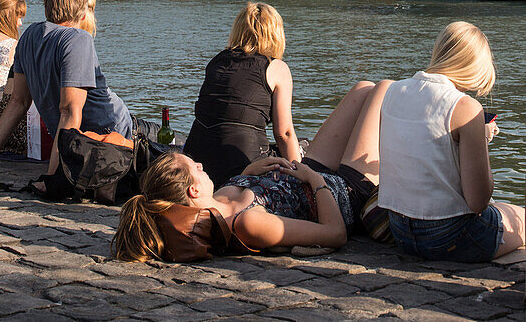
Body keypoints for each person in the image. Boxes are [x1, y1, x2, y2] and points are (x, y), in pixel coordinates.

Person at [112, 80, 391, 262]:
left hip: (305, 172)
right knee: (385, 90)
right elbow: (334, 234)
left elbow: (252, 192)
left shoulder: (217, 201)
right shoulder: (246, 225)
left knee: (363, 88)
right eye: (193, 167)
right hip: (343, 192)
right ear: (193, 190)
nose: (199, 164)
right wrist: (314, 181)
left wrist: (251, 172)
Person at [0, 0, 137, 173]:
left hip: (101, 130)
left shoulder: (30, 35)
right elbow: (70, 111)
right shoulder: (78, 39)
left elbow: (18, 102)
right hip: (111, 129)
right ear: (83, 14)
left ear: (46, 5)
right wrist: (53, 176)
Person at [378, 21, 525, 262]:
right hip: (449, 237)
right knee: (520, 219)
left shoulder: (393, 91)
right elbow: (478, 201)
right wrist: (480, 138)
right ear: (476, 65)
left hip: (400, 231)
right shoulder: (466, 107)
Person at [183, 2, 301, 186]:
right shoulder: (276, 68)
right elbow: (284, 133)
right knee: (303, 148)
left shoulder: (217, 61)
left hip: (198, 161)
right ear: (276, 34)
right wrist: (301, 176)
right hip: (243, 163)